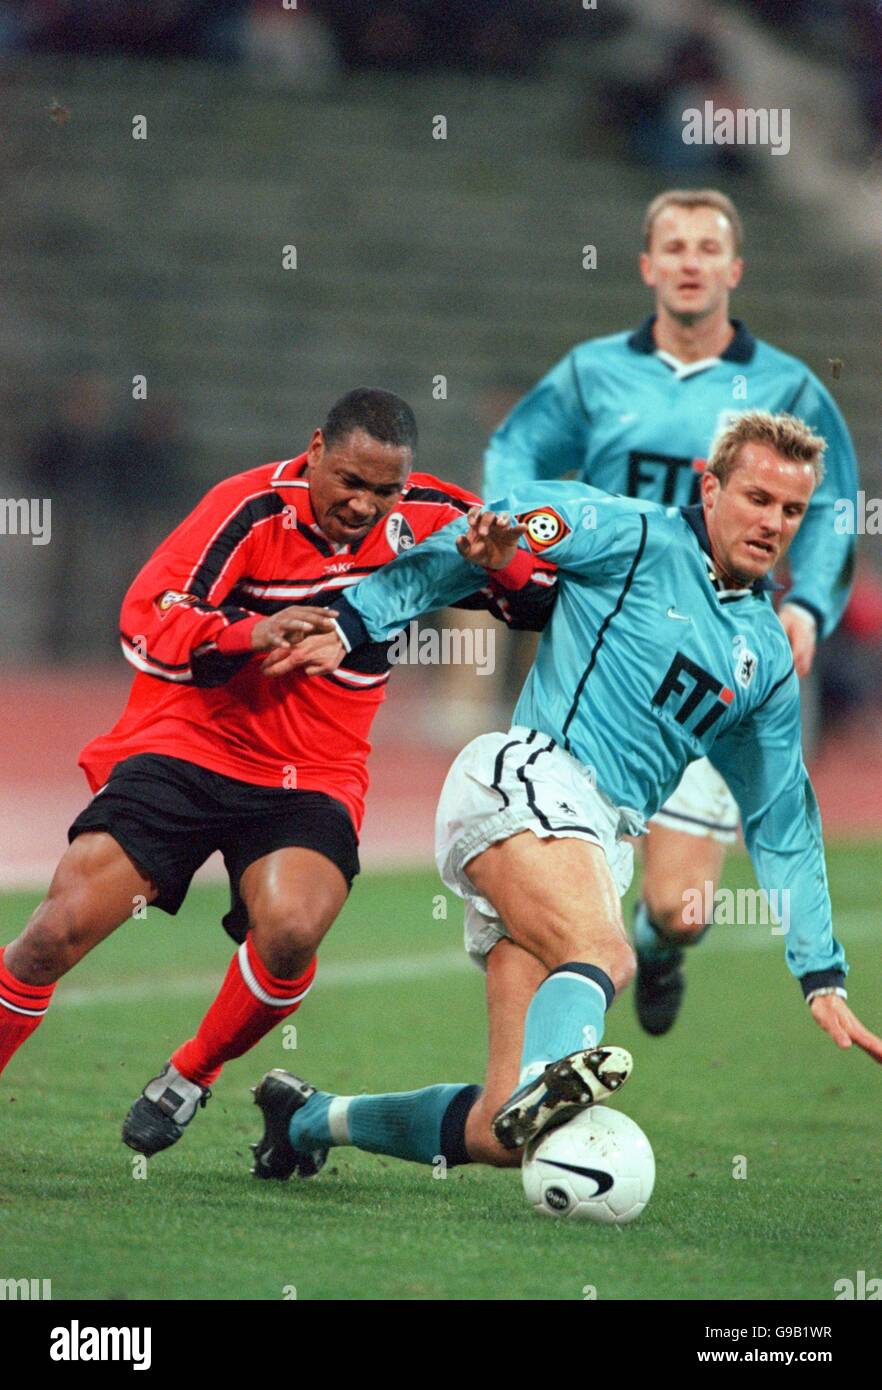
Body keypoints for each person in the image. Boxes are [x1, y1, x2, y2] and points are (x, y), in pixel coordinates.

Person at [248, 410, 881, 1182]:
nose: (772, 522)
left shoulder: (765, 657)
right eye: (756, 498)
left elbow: (783, 814)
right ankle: (556, 1077)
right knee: (603, 954)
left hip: (598, 841)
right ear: (710, 488)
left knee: (501, 1131)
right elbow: (497, 529)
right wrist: (356, 620)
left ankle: (308, 1119)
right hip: (529, 778)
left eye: (791, 510)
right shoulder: (633, 533)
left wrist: (821, 973)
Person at [0, 388, 554, 1159]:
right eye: (350, 483)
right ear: (316, 447)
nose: (364, 505)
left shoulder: (438, 515)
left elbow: (546, 599)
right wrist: (248, 631)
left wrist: (512, 572)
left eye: (384, 490)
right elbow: (148, 612)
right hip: (190, 746)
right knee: (53, 933)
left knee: (293, 928)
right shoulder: (247, 508)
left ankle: (192, 1072)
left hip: (314, 769)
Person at [482, 187, 859, 1038]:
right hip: (607, 648)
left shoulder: (788, 387)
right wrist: (507, 534)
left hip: (711, 661)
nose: (691, 261)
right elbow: (517, 448)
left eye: (706, 247)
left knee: (682, 910)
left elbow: (835, 504)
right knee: (570, 907)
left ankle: (654, 948)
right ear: (650, 266)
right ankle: (541, 1041)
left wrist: (807, 609)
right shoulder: (592, 372)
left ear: (733, 268)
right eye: (675, 246)